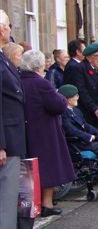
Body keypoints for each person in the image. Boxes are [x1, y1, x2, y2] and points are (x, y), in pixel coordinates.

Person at [20, 50, 76, 217]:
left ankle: (33, 203)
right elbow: (58, 105)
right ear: (39, 65)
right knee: (48, 167)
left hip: (26, 129)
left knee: (31, 169)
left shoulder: (20, 80)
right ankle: (47, 203)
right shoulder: (41, 83)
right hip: (45, 130)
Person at [1, 9, 27, 229]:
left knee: (9, 198)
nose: (10, 30)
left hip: (12, 137)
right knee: (5, 199)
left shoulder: (3, 59)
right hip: (5, 140)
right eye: (9, 26)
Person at [69, 43, 98, 129]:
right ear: (89, 57)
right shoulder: (80, 68)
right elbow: (82, 91)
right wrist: (94, 108)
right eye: (97, 56)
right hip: (88, 111)